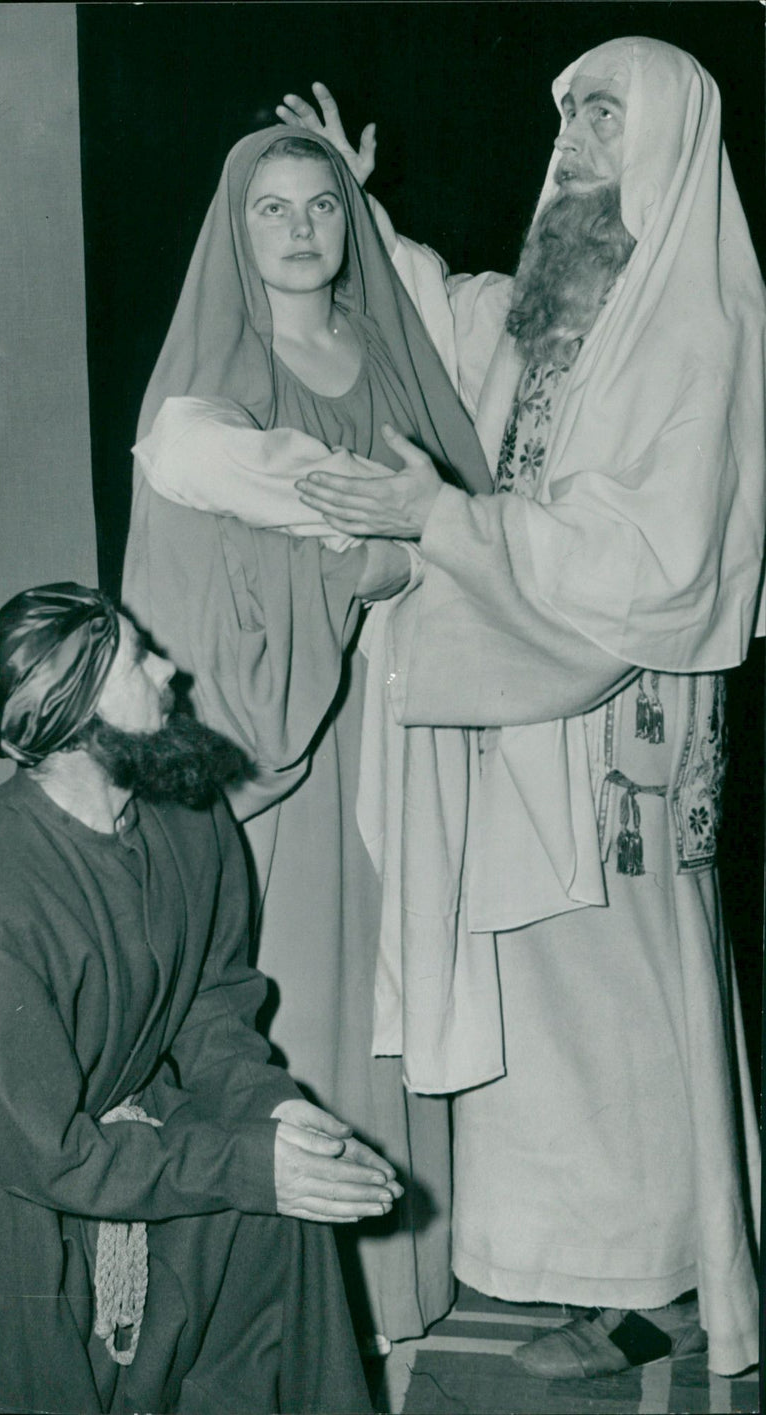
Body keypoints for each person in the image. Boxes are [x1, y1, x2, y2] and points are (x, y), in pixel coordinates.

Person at [286, 39, 764, 1379]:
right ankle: (564, 1261)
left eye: (599, 115)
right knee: (543, 1004)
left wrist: (444, 519)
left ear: (668, 135)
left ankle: (662, 1278)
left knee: (623, 1006)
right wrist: (357, 212)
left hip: (617, 729)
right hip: (519, 695)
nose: (569, 138)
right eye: (564, 115)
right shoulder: (564, 299)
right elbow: (457, 317)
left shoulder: (706, 329)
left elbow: (652, 561)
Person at [121, 124, 493, 1345]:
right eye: (269, 209)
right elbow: (211, 554)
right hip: (277, 735)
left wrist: (390, 551)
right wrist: (373, 557)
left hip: (397, 726)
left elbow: (464, 515)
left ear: (350, 221)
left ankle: (395, 1282)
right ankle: (282, 1300)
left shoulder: (386, 353)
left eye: (318, 205)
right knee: (285, 988)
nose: (295, 229)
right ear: (237, 229)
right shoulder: (216, 372)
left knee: (385, 980)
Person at [0, 581, 408, 1415]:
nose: (171, 670)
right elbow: (45, 1152)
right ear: (71, 724)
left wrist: (272, 1111)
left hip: (133, 1133)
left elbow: (212, 1004)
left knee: (292, 1202)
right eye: (139, 659)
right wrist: (241, 1165)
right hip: (23, 1194)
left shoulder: (185, 812)